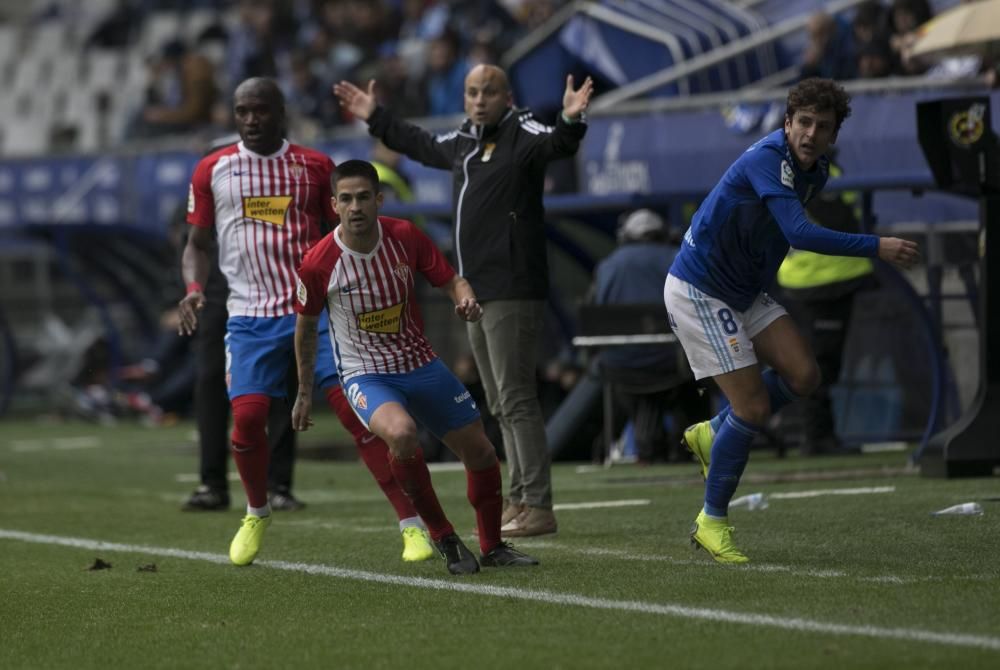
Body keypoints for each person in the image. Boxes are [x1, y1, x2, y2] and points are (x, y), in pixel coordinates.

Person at [178, 77, 435, 567]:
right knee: (248, 421)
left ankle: (411, 526)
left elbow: (343, 233)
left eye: (260, 110)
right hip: (249, 319)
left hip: (315, 315)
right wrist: (193, 291)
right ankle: (256, 511)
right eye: (241, 111)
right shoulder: (213, 169)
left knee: (360, 419)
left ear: (281, 112)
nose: (251, 119)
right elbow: (197, 244)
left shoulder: (315, 167)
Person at [664, 78, 919, 564]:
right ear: (787, 123)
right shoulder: (767, 159)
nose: (810, 133)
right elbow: (798, 232)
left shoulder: (816, 170)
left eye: (822, 126)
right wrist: (877, 246)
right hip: (699, 289)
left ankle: (714, 431)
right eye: (803, 122)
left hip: (740, 290)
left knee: (805, 375)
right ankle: (711, 521)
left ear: (833, 135)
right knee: (755, 410)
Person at [333, 65, 593, 537]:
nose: (478, 100)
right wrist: (377, 118)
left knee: (515, 398)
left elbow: (556, 144)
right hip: (475, 287)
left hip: (512, 285)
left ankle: (537, 504)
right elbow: (420, 144)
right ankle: (519, 498)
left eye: (488, 92)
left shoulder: (523, 131)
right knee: (497, 399)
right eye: (472, 92)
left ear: (506, 96)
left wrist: (572, 121)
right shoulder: (467, 140)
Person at [291, 159, 539, 575]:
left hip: (420, 362)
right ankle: (443, 536)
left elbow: (452, 281)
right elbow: (304, 330)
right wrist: (302, 393)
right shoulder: (319, 262)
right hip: (365, 373)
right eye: (347, 199)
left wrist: (465, 298)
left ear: (379, 199)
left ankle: (493, 545)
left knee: (481, 452)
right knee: (403, 435)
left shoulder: (405, 237)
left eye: (364, 197)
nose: (356, 207)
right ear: (333, 204)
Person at [776, 159, 875, 456]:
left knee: (818, 360)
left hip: (813, 278)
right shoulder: (813, 173)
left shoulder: (792, 170)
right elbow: (842, 220)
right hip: (824, 280)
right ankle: (816, 437)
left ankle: (814, 434)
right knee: (820, 361)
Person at [592, 209, 706, 464]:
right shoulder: (676, 257)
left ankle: (648, 445)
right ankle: (689, 443)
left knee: (639, 390)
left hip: (619, 362)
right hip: (672, 362)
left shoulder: (607, 265)